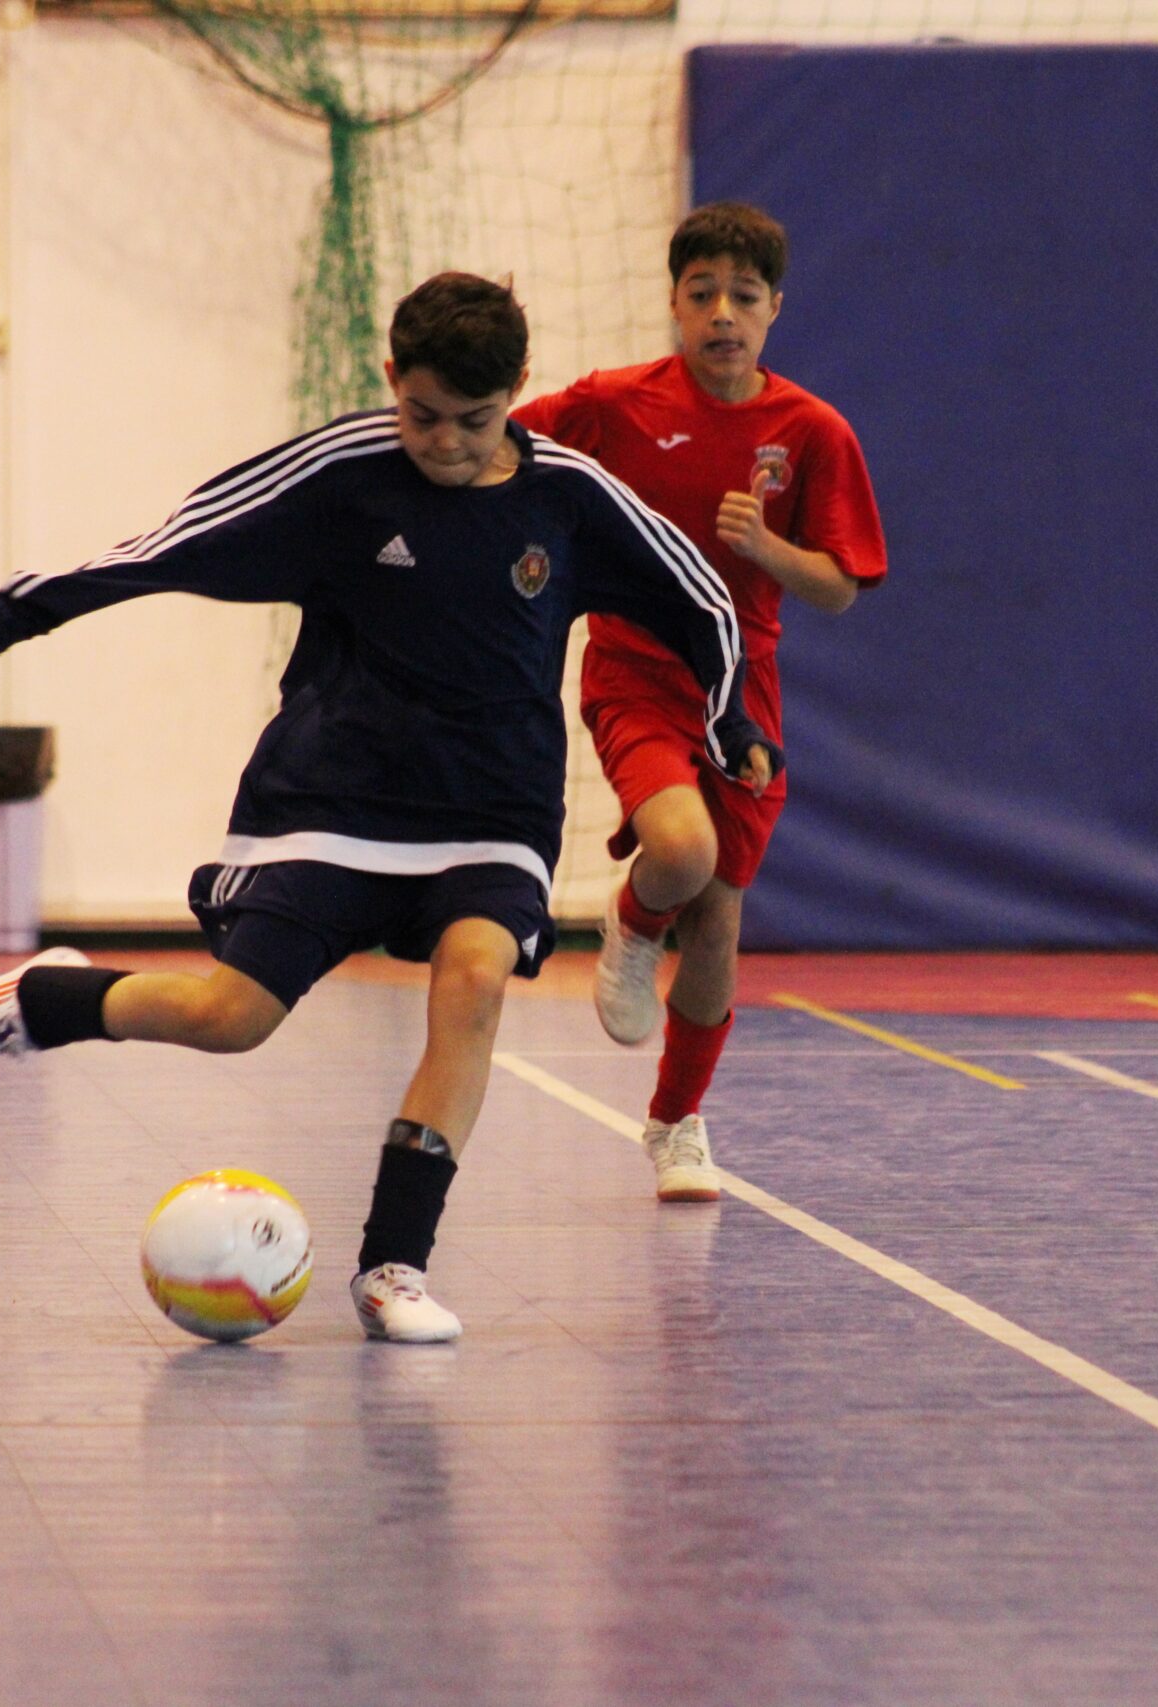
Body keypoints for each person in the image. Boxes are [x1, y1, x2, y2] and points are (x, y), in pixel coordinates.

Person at [0, 273, 777, 1343]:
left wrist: (729, 720)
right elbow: (175, 543)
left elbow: (700, 595)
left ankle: (393, 1268)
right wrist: (17, 610)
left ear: (517, 394)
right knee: (232, 1021)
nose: (444, 444)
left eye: (473, 421)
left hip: (492, 807)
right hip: (333, 795)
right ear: (388, 381)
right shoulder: (342, 474)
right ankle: (43, 1005)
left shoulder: (571, 497)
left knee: (474, 986)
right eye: (421, 416)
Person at [514, 202, 887, 1203]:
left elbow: (840, 585)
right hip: (636, 670)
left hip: (742, 690)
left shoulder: (810, 433)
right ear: (675, 302)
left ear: (774, 310)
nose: (721, 313)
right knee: (682, 851)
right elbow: (504, 441)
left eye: (743, 297)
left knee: (718, 926)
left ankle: (677, 1123)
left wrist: (770, 550)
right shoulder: (614, 403)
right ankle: (632, 925)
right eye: (701, 293)